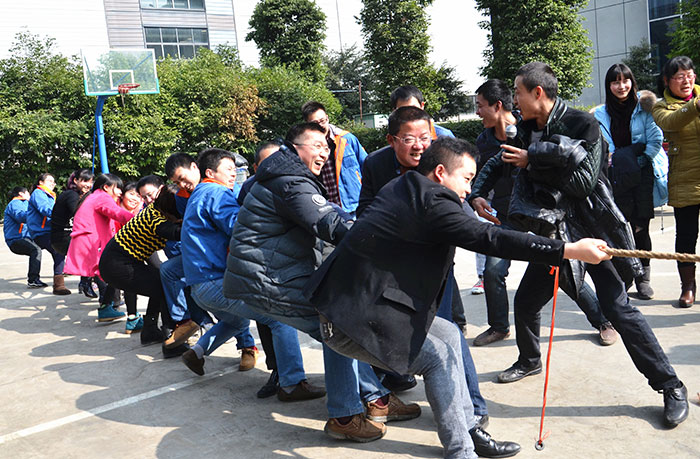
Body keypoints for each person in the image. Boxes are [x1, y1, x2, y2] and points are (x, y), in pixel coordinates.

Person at [305, 137, 615, 459]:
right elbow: (488, 238)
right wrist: (567, 250)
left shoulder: (406, 185)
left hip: (365, 304)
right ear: (440, 172)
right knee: (437, 356)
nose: (468, 190)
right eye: (466, 179)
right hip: (349, 319)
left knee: (450, 334)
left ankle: (469, 431)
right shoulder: (433, 204)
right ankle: (461, 452)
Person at [485, 61, 687, 427]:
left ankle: (670, 384)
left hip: (594, 233)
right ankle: (530, 360)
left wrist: (534, 159)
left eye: (517, 92)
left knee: (619, 308)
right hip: (554, 236)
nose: (514, 99)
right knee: (527, 301)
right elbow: (502, 160)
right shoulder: (526, 128)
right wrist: (476, 192)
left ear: (538, 93)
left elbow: (581, 183)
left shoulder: (584, 124)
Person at [223, 123, 420, 442]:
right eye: (316, 145)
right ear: (296, 146)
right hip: (268, 279)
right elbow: (326, 221)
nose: (324, 153)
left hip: (274, 273)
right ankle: (345, 415)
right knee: (337, 325)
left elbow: (331, 213)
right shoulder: (289, 181)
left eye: (327, 148)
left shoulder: (287, 177)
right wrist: (376, 237)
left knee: (341, 326)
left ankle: (374, 399)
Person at [358, 106, 490, 424]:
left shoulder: (441, 163)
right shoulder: (376, 164)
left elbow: (464, 218)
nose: (419, 145)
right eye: (409, 138)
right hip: (389, 271)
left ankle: (471, 408)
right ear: (391, 140)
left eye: (425, 137)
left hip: (431, 269)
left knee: (447, 336)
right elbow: (365, 211)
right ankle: (391, 381)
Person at [470, 79, 618, 347]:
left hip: (546, 216)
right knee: (493, 271)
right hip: (509, 214)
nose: (477, 112)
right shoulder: (487, 138)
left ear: (498, 105)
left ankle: (603, 321)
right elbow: (493, 165)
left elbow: (578, 176)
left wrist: (532, 159)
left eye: (480, 106)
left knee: (565, 273)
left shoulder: (539, 128)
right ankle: (500, 328)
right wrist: (476, 194)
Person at [179, 147, 321, 402]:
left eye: (236, 170)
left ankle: (198, 351)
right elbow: (241, 227)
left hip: (200, 285)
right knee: (282, 318)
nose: (234, 174)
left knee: (237, 321)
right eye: (229, 169)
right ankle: (292, 382)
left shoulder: (199, 194)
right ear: (210, 172)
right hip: (215, 281)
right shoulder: (217, 193)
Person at [595, 64, 666, 300]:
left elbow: (655, 138)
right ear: (609, 86)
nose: (621, 86)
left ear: (632, 82)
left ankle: (643, 278)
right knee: (619, 227)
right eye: (615, 82)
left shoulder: (645, 108)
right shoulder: (600, 114)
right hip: (616, 176)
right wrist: (625, 157)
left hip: (642, 172)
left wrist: (641, 159)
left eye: (625, 81)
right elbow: (606, 149)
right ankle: (624, 277)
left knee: (641, 226)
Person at [99, 184, 181, 344]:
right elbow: (176, 232)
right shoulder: (156, 220)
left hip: (118, 261)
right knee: (164, 287)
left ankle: (151, 331)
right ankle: (170, 337)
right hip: (117, 264)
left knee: (160, 283)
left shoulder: (155, 211)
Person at [651, 56, 700, 308]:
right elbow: (672, 123)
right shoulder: (661, 107)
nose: (686, 80)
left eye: (689, 75)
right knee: (686, 237)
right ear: (667, 81)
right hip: (684, 180)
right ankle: (688, 287)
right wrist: (695, 107)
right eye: (679, 77)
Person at [64, 174, 135, 324]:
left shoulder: (94, 196)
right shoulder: (102, 197)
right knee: (117, 273)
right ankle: (131, 316)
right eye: (118, 188)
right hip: (92, 243)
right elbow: (117, 213)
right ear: (106, 187)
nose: (120, 192)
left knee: (110, 275)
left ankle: (105, 307)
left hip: (89, 242)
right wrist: (137, 220)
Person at [301, 101, 367, 216]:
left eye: (322, 121)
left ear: (327, 118)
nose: (321, 125)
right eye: (315, 123)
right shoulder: (305, 147)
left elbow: (367, 166)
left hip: (355, 206)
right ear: (307, 124)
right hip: (326, 210)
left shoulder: (346, 139)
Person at [50, 168, 95, 298]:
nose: (88, 185)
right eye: (84, 181)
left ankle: (86, 281)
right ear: (75, 180)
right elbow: (79, 213)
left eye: (90, 182)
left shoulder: (76, 195)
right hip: (63, 239)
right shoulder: (71, 195)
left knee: (92, 246)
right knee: (95, 250)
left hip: (64, 238)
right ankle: (88, 283)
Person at [26, 173, 71, 295]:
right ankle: (59, 285)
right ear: (41, 182)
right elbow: (45, 209)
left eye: (54, 182)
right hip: (41, 232)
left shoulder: (50, 196)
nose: (53, 183)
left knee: (68, 246)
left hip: (48, 230)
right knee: (58, 250)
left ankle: (67, 270)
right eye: (49, 181)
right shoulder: (39, 193)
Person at [4, 187, 45, 288]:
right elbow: (21, 217)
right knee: (36, 250)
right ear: (21, 194)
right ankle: (33, 280)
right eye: (28, 193)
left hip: (26, 238)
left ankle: (62, 269)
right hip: (16, 239)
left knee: (50, 244)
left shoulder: (25, 204)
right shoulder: (15, 203)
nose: (29, 195)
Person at [390, 85, 456, 139]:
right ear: (394, 111)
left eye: (414, 108)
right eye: (403, 110)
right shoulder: (395, 137)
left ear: (422, 106)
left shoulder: (443, 136)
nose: (409, 114)